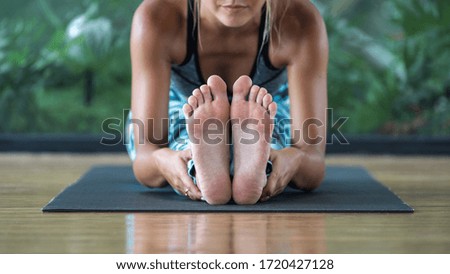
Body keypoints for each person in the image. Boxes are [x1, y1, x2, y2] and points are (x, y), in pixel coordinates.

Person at [126, 0, 328, 205]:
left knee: (274, 128)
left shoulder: (300, 19)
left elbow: (313, 159)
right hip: (183, 104)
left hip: (264, 107)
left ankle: (254, 162)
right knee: (183, 130)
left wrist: (292, 160)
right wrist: (165, 161)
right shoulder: (156, 17)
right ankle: (207, 163)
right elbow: (147, 154)